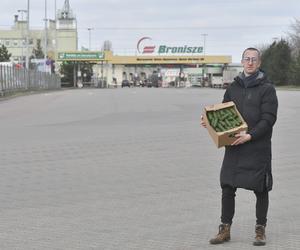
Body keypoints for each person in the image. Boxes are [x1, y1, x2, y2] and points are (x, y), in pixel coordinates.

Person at [201, 47, 278, 246]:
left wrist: (250, 135)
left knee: (261, 189)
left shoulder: (267, 89)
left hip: (257, 147)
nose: (250, 62)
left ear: (259, 63)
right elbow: (223, 112)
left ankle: (260, 230)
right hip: (235, 146)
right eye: (246, 59)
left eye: (254, 59)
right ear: (242, 62)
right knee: (227, 186)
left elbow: (269, 119)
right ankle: (224, 229)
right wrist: (210, 122)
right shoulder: (233, 88)